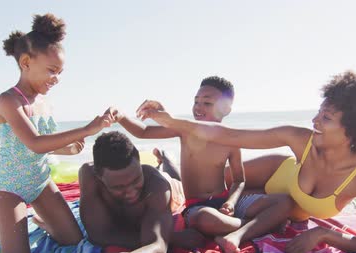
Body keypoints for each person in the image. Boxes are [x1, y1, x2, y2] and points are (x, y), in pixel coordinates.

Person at [137, 70, 356, 253]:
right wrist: (169, 120)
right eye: (319, 113)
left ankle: (170, 166)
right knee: (202, 184)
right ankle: (169, 164)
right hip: (274, 172)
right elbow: (229, 135)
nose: (315, 121)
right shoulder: (301, 139)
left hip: (270, 200)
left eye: (327, 118)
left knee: (214, 197)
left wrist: (323, 235)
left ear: (355, 131)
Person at [0, 13, 114, 253]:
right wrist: (87, 128)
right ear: (26, 62)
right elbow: (35, 143)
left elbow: (48, 144)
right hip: (11, 186)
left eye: (60, 72)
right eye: (51, 71)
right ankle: (5, 232)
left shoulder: (43, 102)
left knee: (74, 241)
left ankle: (38, 222)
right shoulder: (9, 100)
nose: (56, 78)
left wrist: (69, 148)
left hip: (40, 180)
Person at [113, 77, 265, 241]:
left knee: (282, 203)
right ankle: (251, 225)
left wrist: (231, 203)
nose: (198, 107)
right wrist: (121, 117)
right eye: (196, 102)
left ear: (226, 109)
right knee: (206, 219)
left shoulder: (231, 141)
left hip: (224, 204)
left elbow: (239, 180)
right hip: (197, 208)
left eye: (207, 103)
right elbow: (143, 132)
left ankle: (234, 226)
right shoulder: (186, 131)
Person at [66, 131, 177, 253]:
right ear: (99, 176)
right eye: (118, 187)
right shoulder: (89, 175)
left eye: (135, 180)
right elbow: (97, 235)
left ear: (139, 163)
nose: (131, 192)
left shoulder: (158, 187)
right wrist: (162, 239)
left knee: (172, 176)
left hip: (173, 188)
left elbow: (157, 252)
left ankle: (166, 159)